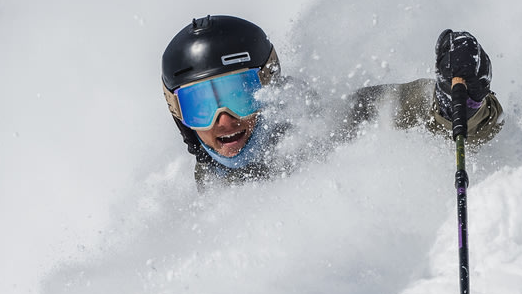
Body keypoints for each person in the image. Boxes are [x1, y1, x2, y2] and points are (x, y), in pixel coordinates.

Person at [160, 14, 503, 186]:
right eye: (200, 107)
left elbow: (414, 105)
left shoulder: (331, 124)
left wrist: (464, 101)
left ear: (271, 84)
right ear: (179, 116)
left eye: (240, 95)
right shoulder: (210, 185)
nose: (223, 120)